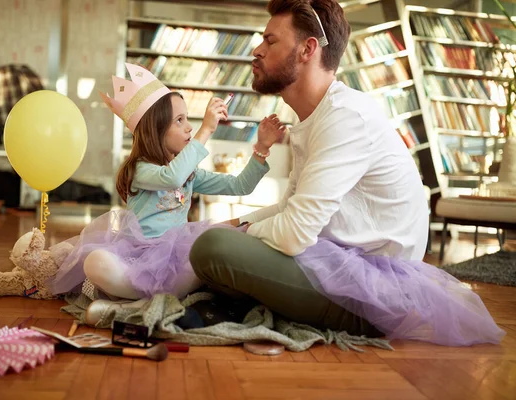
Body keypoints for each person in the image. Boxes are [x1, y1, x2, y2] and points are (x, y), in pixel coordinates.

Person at [189, 0, 505, 346]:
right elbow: (289, 209)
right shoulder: (314, 117)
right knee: (215, 237)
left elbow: (294, 233)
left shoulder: (345, 116)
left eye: (270, 41)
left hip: (368, 296)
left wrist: (239, 232)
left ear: (308, 49)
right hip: (337, 264)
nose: (257, 50)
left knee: (211, 248)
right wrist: (234, 224)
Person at [48, 63, 286, 300]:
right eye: (179, 120)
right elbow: (171, 177)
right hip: (140, 256)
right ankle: (141, 294)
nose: (189, 127)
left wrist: (261, 148)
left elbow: (239, 186)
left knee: (210, 253)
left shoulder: (189, 173)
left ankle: (134, 301)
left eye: (187, 120)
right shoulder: (140, 170)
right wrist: (206, 130)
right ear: (155, 131)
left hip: (176, 257)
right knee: (95, 263)